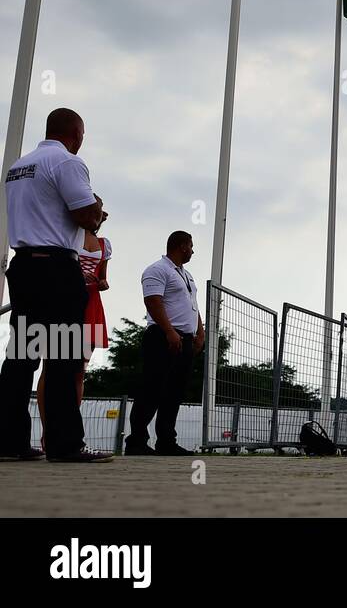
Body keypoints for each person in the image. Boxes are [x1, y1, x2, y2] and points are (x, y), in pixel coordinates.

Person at [0, 108, 110, 462]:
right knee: (63, 357)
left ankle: (9, 441)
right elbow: (85, 215)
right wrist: (97, 208)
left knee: (21, 356)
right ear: (76, 134)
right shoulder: (67, 163)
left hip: (23, 267)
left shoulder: (19, 166)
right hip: (56, 268)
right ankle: (64, 445)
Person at [36, 197, 111, 447]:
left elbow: (103, 279)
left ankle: (67, 429)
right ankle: (48, 431)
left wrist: (100, 282)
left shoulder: (104, 244)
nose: (97, 214)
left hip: (89, 303)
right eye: (93, 210)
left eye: (99, 211)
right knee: (52, 366)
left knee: (79, 372)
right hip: (64, 299)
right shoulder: (67, 236)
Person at [125, 231, 204, 456]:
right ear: (181, 246)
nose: (192, 250)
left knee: (175, 392)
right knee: (152, 389)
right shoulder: (157, 270)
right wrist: (169, 330)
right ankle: (137, 441)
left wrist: (200, 332)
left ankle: (166, 440)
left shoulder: (187, 275)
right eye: (190, 246)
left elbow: (193, 304)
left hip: (185, 339)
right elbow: (153, 301)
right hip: (162, 337)